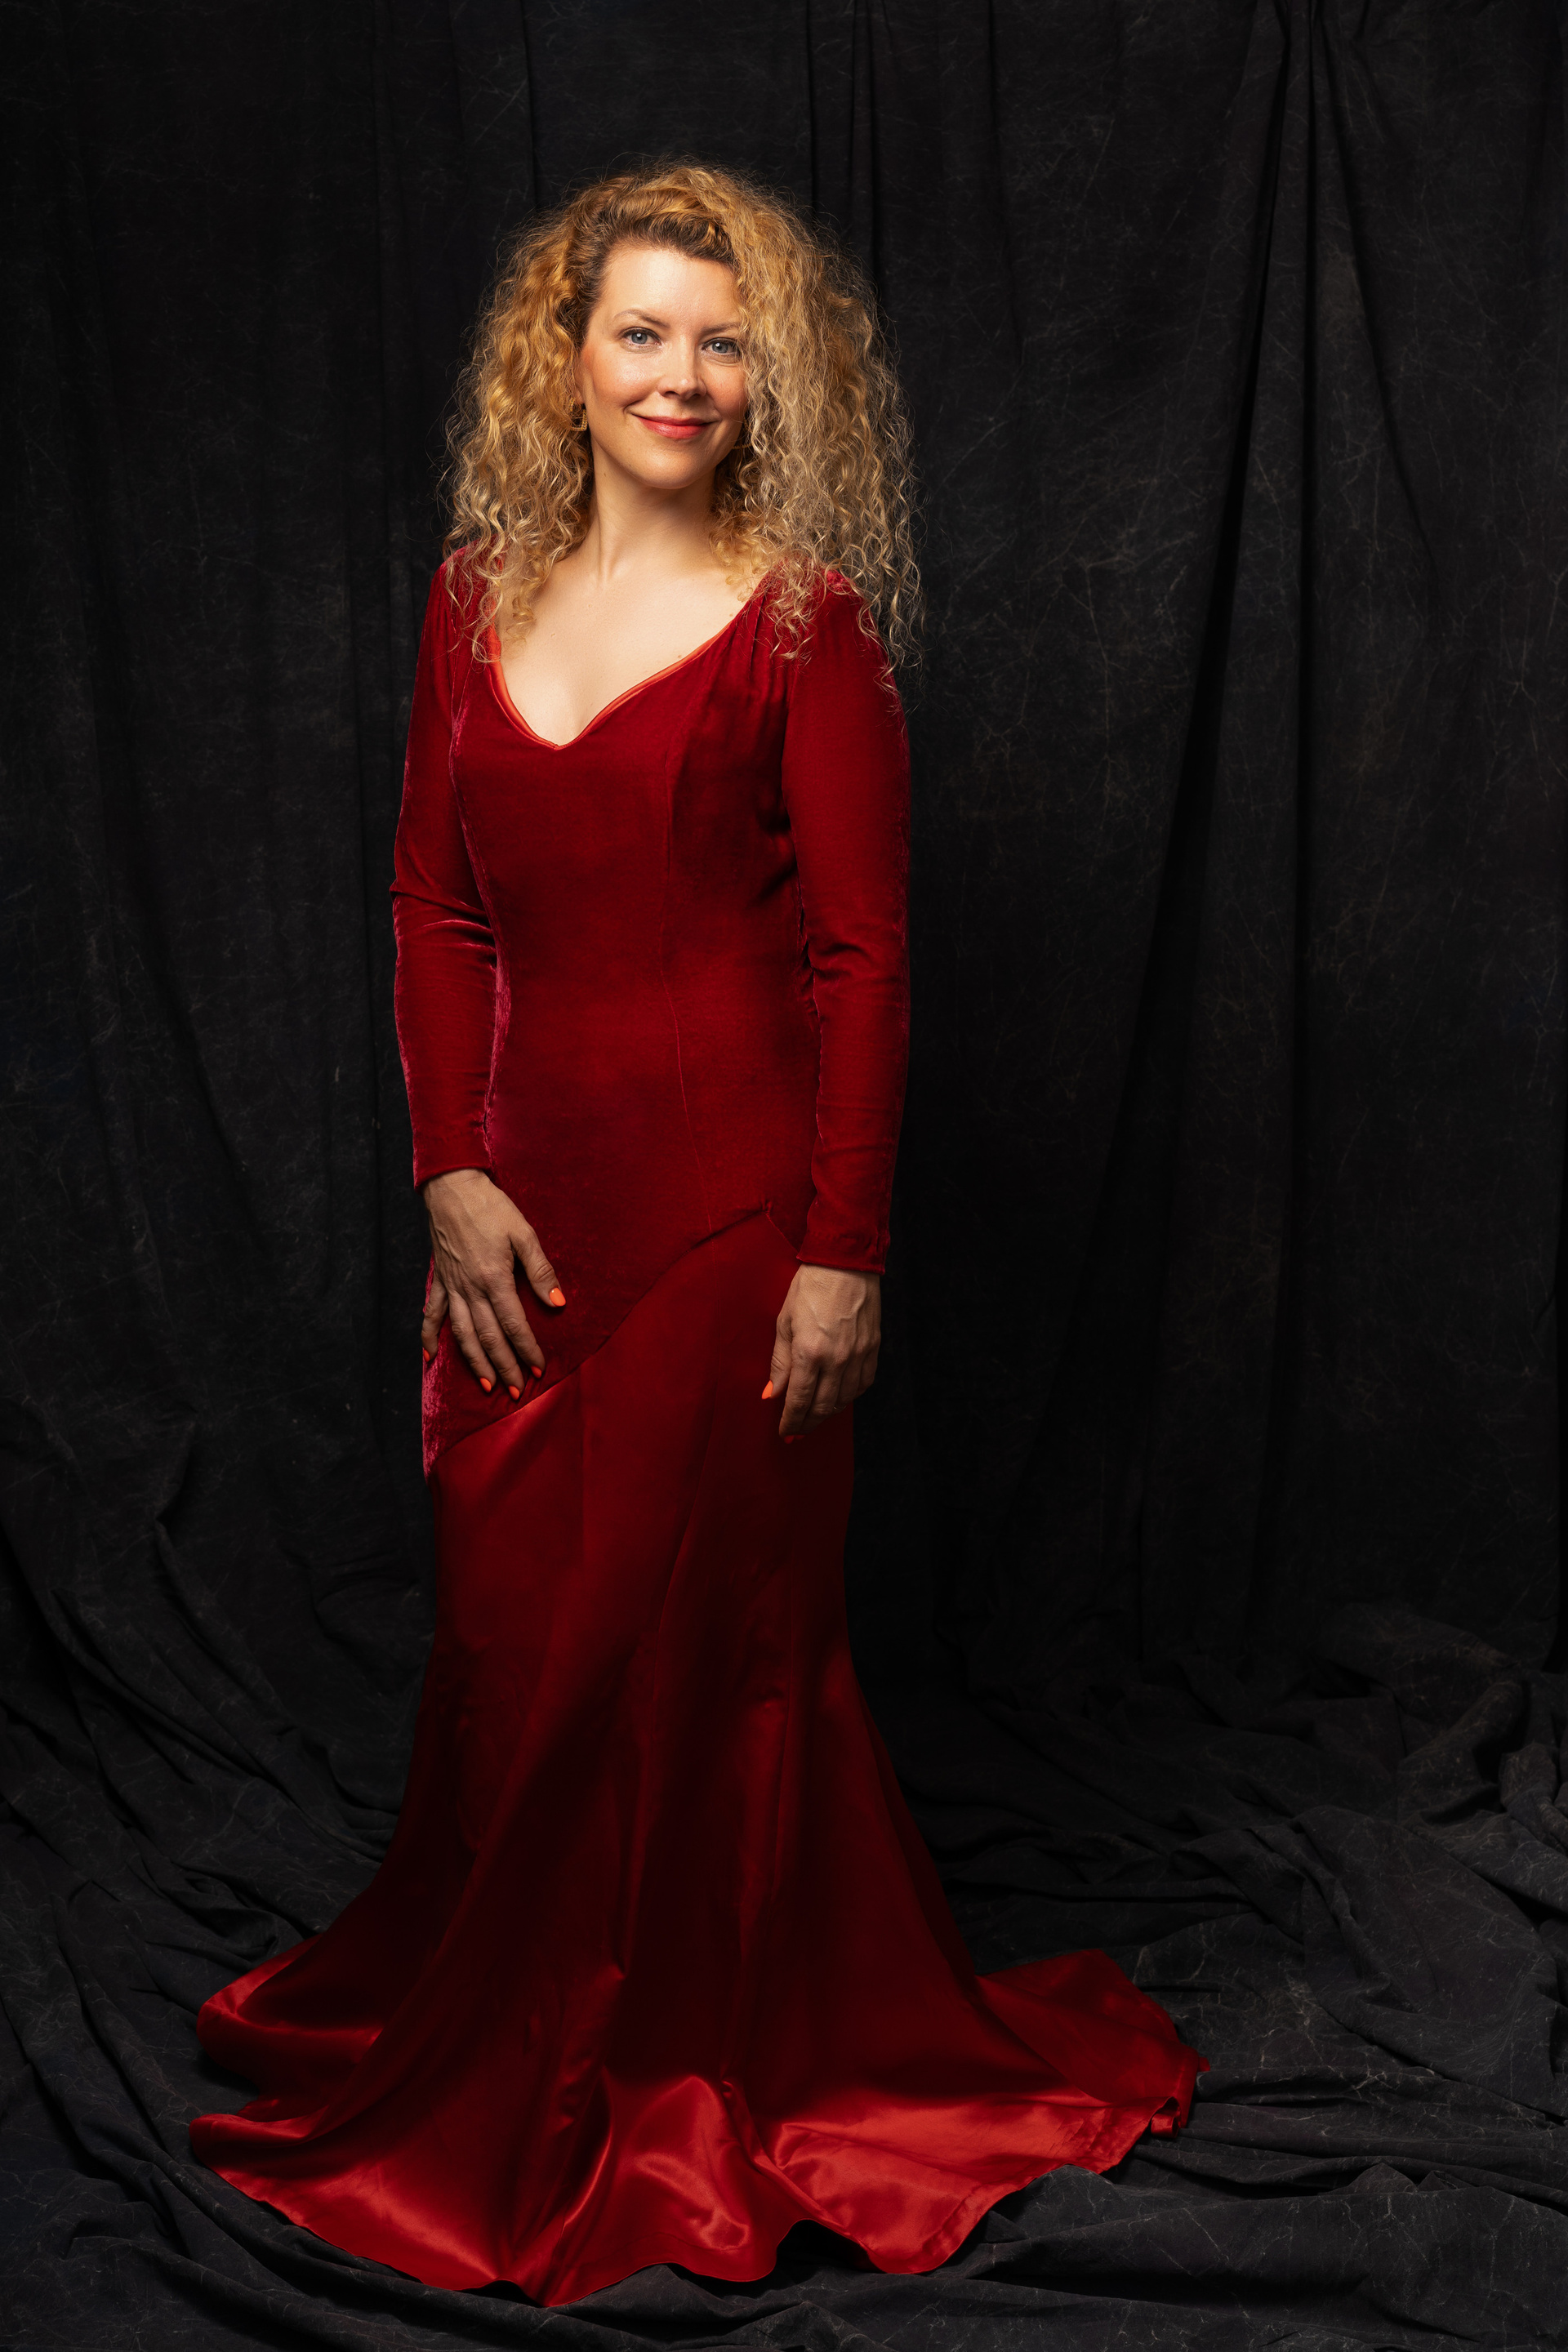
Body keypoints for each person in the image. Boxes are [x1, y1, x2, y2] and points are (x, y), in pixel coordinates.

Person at [189, 161, 1202, 2305]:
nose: (681, 374)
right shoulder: (469, 600)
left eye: (724, 341)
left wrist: (847, 1253)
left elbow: (864, 960)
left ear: (771, 378)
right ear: (563, 361)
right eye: (641, 331)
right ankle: (502, 2045)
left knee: (678, 1666)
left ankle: (660, 2088)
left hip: (742, 1227)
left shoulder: (806, 629)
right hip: (519, 1230)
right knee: (512, 1651)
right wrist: (446, 1172)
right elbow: (434, 907)